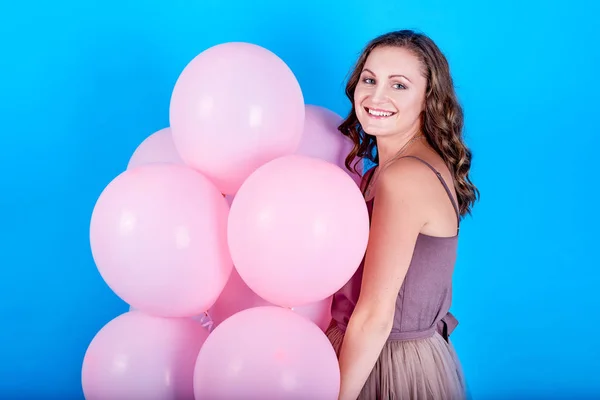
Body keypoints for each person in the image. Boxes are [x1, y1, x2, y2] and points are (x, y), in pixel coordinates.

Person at [327, 29, 479, 400]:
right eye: (369, 79)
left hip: (383, 363)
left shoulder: (404, 177)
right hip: (368, 347)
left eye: (399, 85)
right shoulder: (391, 166)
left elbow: (376, 315)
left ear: (428, 98)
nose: (376, 96)